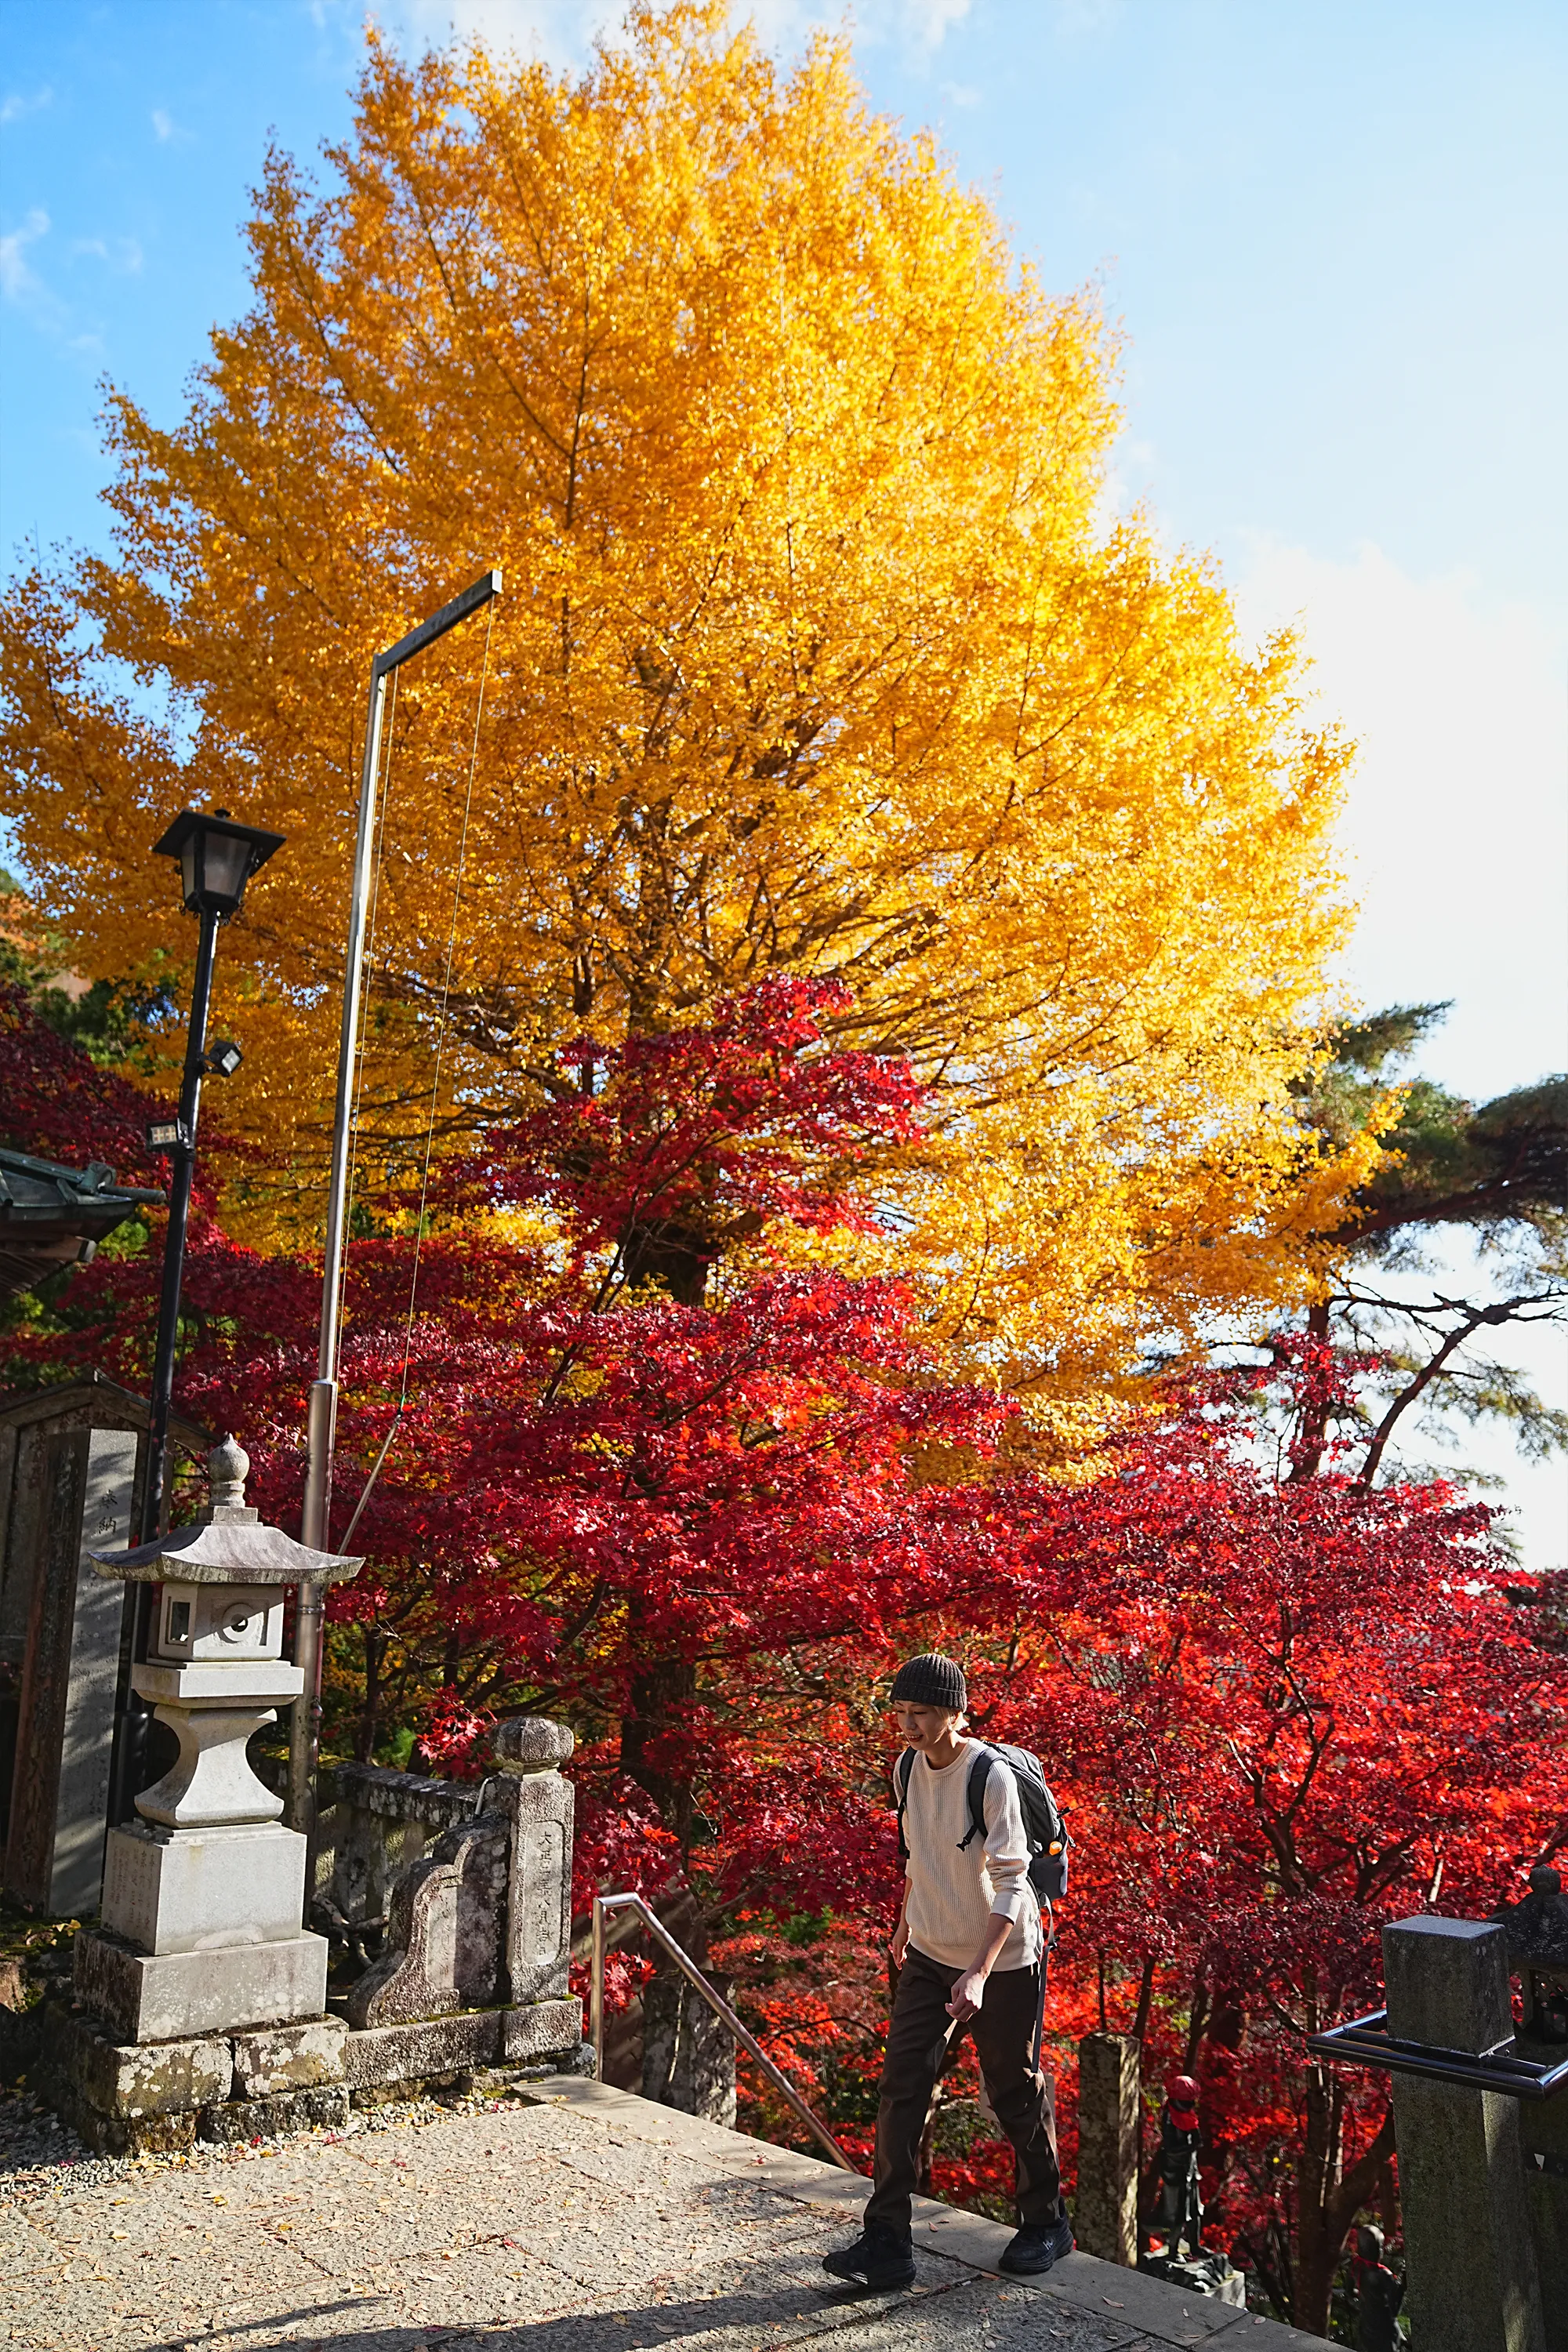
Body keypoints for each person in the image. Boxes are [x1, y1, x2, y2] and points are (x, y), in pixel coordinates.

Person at [822, 1652, 1073, 2292]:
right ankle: (887, 2243)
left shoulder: (988, 1776)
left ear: (956, 1712)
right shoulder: (905, 1767)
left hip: (1004, 1962)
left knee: (1012, 2092)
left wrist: (981, 1972)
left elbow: (1015, 1883)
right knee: (901, 2088)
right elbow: (919, 1857)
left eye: (922, 1712)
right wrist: (906, 1928)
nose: (907, 1725)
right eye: (901, 1712)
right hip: (932, 1956)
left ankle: (1047, 2221)